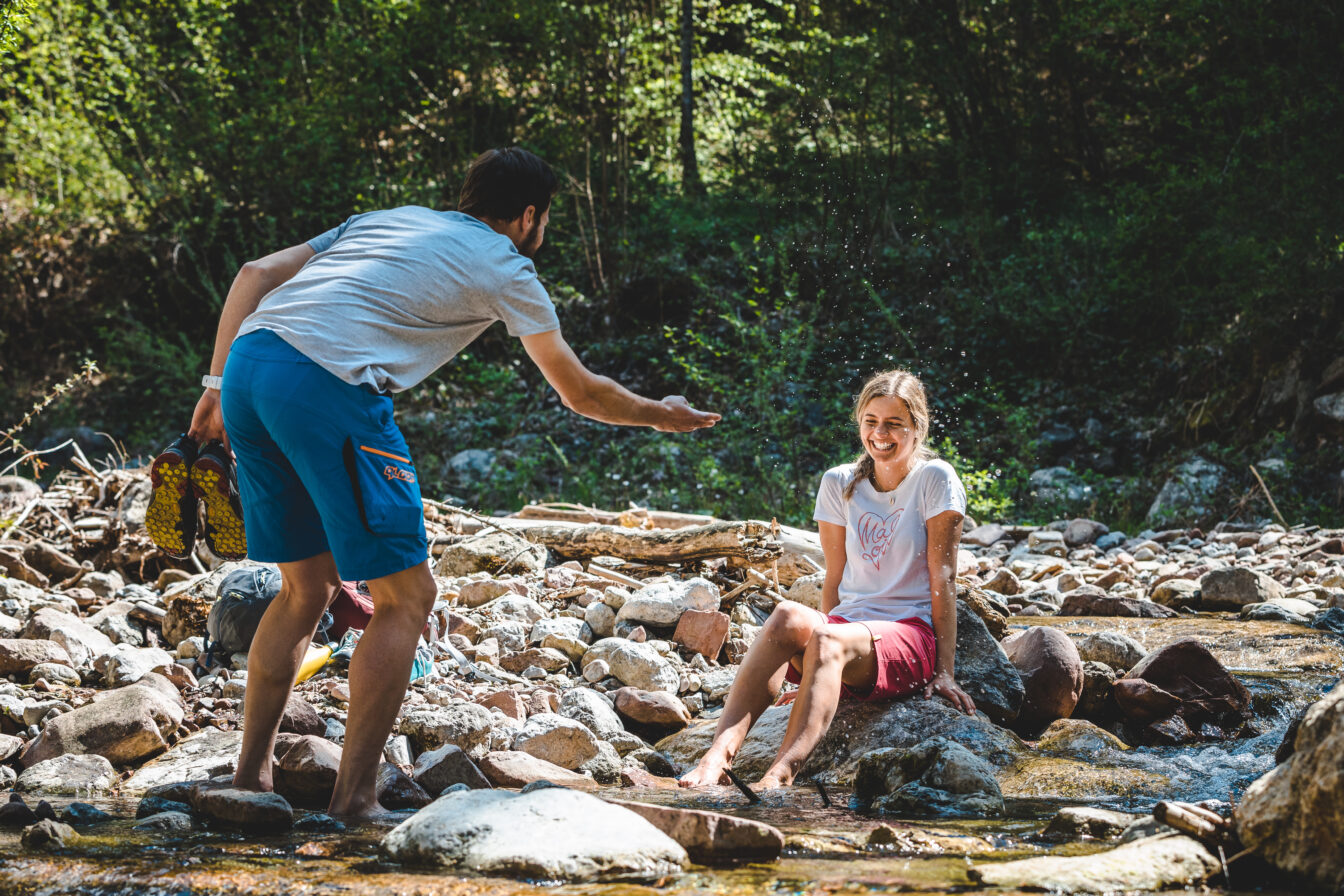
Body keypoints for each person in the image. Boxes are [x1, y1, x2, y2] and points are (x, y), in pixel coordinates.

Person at [184, 147, 720, 819]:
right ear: (529, 217)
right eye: (544, 219)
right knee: (407, 598)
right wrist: (659, 416)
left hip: (248, 366)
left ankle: (250, 779)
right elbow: (580, 392)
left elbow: (254, 272)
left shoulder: (387, 218)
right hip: (326, 384)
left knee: (305, 588)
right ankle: (355, 800)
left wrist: (212, 385)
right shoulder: (507, 265)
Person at [679, 369, 972, 790]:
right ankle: (716, 758)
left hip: (909, 636)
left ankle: (779, 775)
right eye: (871, 422)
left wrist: (945, 671)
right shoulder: (838, 482)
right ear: (859, 423)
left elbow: (942, 577)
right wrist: (820, 674)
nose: (881, 434)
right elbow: (834, 578)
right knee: (785, 615)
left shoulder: (935, 479)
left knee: (828, 640)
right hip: (847, 633)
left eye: (894, 424)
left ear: (917, 427)